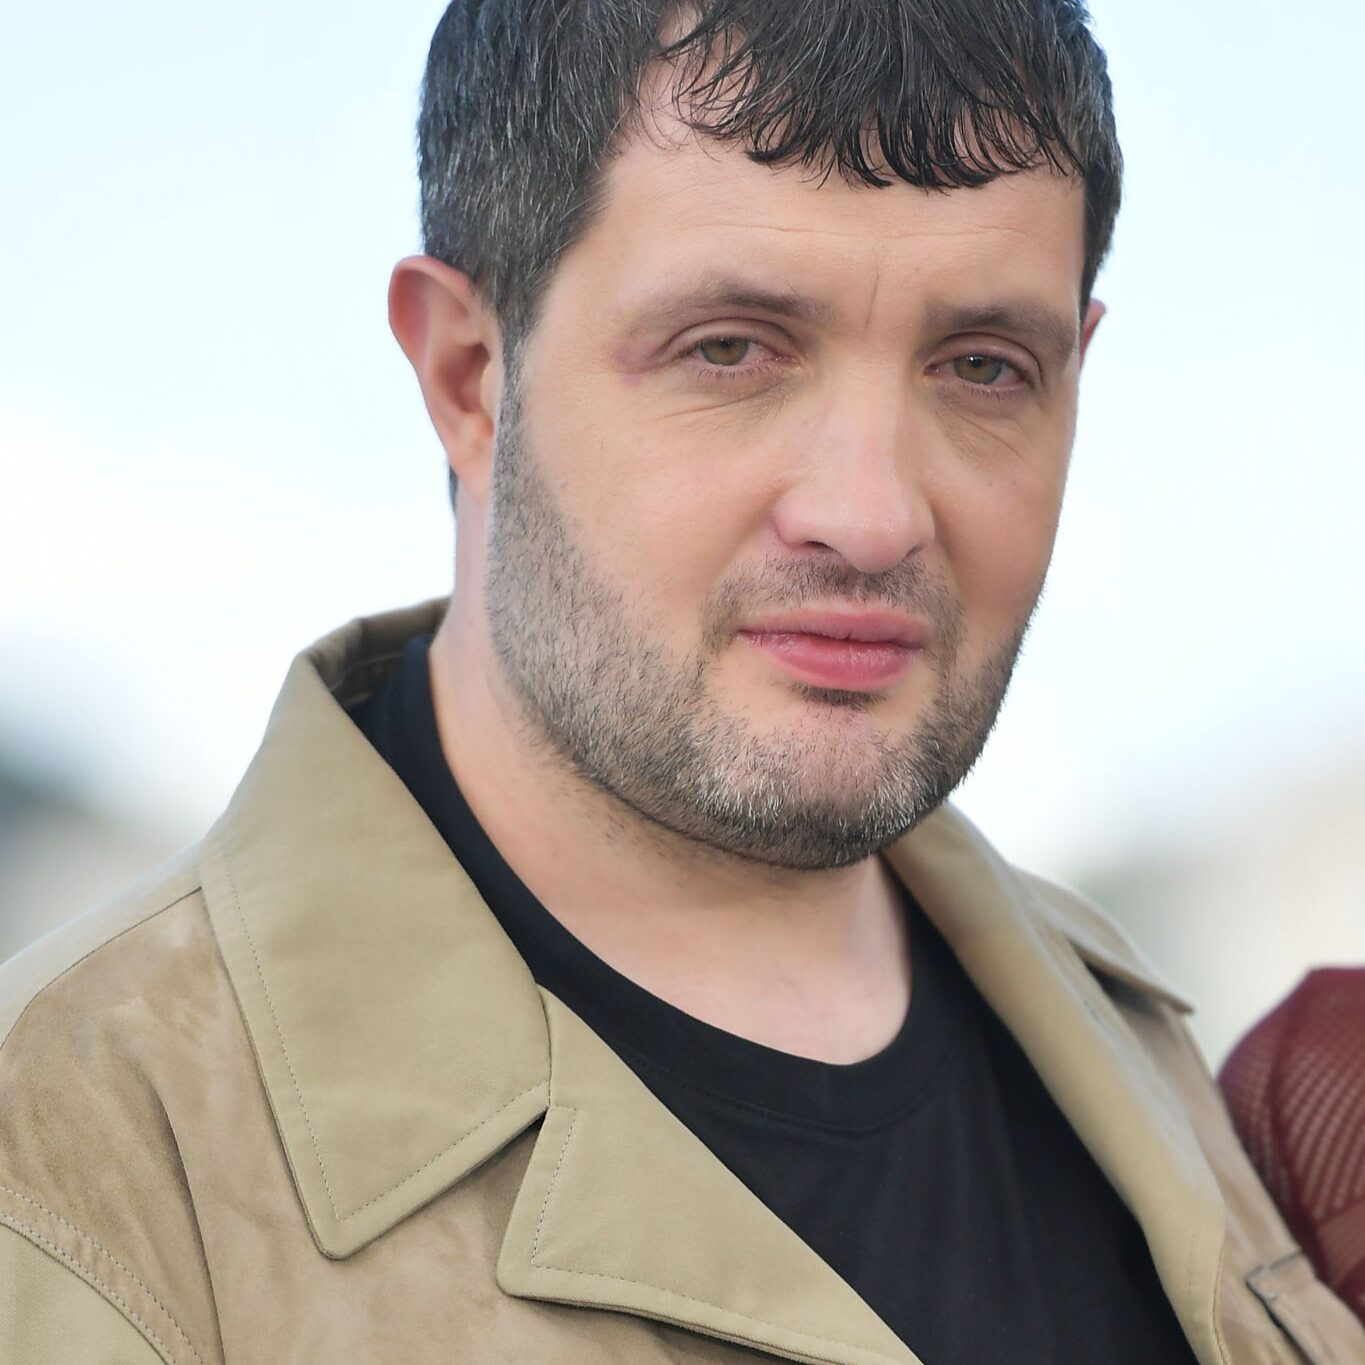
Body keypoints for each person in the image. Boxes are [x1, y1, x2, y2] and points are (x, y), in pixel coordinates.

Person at [1, 1, 1361, 1360]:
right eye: (731, 348)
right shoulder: (80, 1171)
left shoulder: (1209, 1098)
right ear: (469, 375)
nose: (871, 512)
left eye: (982, 368)